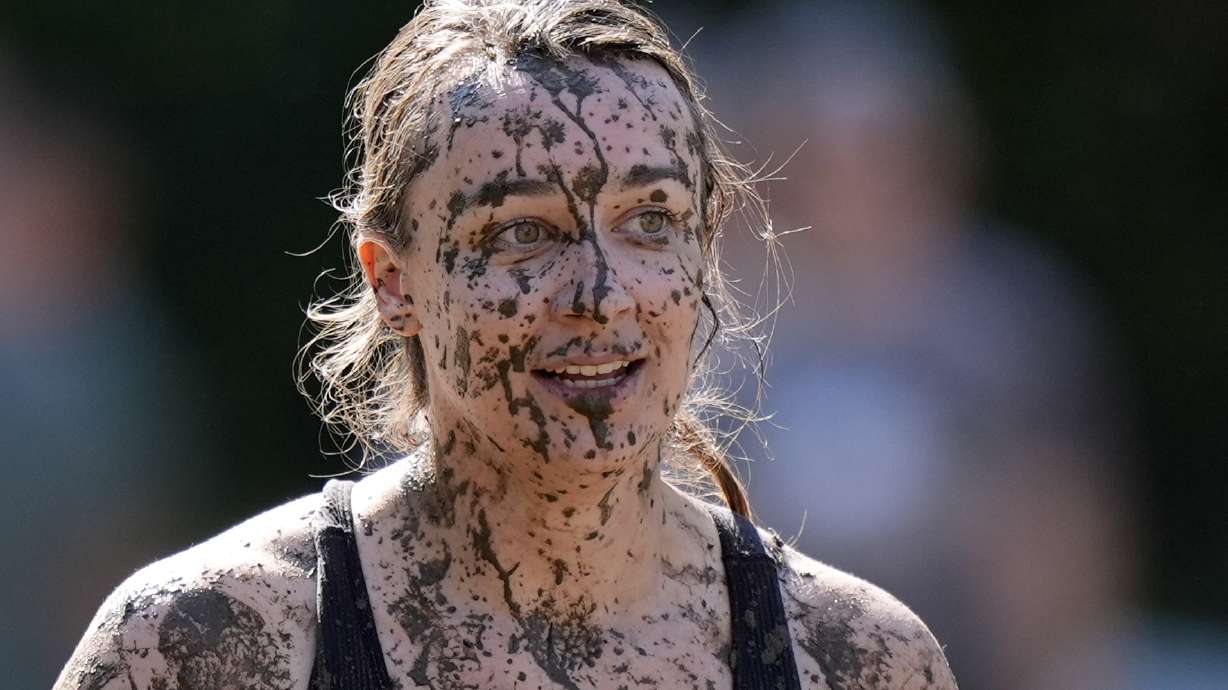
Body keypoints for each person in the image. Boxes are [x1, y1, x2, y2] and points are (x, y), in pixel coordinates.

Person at [55, 1, 957, 688]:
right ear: (391, 278)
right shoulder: (213, 645)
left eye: (651, 222)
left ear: (706, 255)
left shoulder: (853, 658)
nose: (602, 296)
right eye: (522, 233)